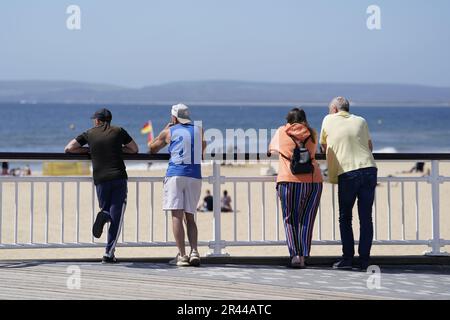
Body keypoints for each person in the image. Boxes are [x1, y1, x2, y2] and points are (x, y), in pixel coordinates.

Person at [64, 108, 138, 264]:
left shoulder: (89, 133)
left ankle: (104, 213)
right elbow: (134, 149)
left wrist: (90, 149)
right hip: (118, 177)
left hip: (100, 179)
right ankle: (108, 253)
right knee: (116, 218)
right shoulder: (119, 131)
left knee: (106, 210)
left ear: (97, 121)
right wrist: (118, 149)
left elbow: (69, 148)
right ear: (109, 120)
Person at [320, 97, 377, 271]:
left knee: (345, 217)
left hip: (348, 172)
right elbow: (370, 146)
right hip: (369, 169)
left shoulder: (328, 119)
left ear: (335, 110)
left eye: (331, 109)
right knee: (366, 218)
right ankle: (364, 261)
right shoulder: (361, 120)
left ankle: (347, 258)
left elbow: (323, 145)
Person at [149, 103, 206, 267]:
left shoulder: (169, 131)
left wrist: (165, 129)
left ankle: (182, 255)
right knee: (190, 216)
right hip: (194, 175)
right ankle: (194, 251)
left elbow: (152, 148)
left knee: (177, 216)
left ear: (174, 117)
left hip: (175, 174)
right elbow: (202, 148)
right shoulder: (199, 129)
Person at [269, 108, 323, 268]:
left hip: (289, 180)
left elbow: (270, 151)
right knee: (307, 220)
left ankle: (294, 256)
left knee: (290, 219)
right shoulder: (312, 133)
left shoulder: (281, 131)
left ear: (288, 120)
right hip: (313, 182)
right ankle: (304, 257)